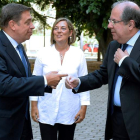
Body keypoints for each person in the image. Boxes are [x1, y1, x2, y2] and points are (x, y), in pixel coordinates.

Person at [65, 1, 140, 140]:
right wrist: (79, 82)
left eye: (114, 21)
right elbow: (102, 75)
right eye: (109, 20)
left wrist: (124, 61)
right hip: (116, 119)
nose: (109, 25)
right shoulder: (113, 46)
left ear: (130, 24)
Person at [0, 3, 67, 140]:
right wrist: (44, 80)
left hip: (20, 124)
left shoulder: (18, 47)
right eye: (28, 22)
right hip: (5, 127)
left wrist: (47, 84)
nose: (32, 26)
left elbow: (24, 79)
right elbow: (4, 84)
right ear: (12, 25)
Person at [30, 17, 90, 140]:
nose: (59, 31)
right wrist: (34, 106)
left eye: (63, 28)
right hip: (46, 108)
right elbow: (35, 81)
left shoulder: (78, 54)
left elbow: (85, 83)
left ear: (70, 32)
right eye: (56, 28)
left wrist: (83, 108)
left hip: (69, 109)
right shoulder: (43, 53)